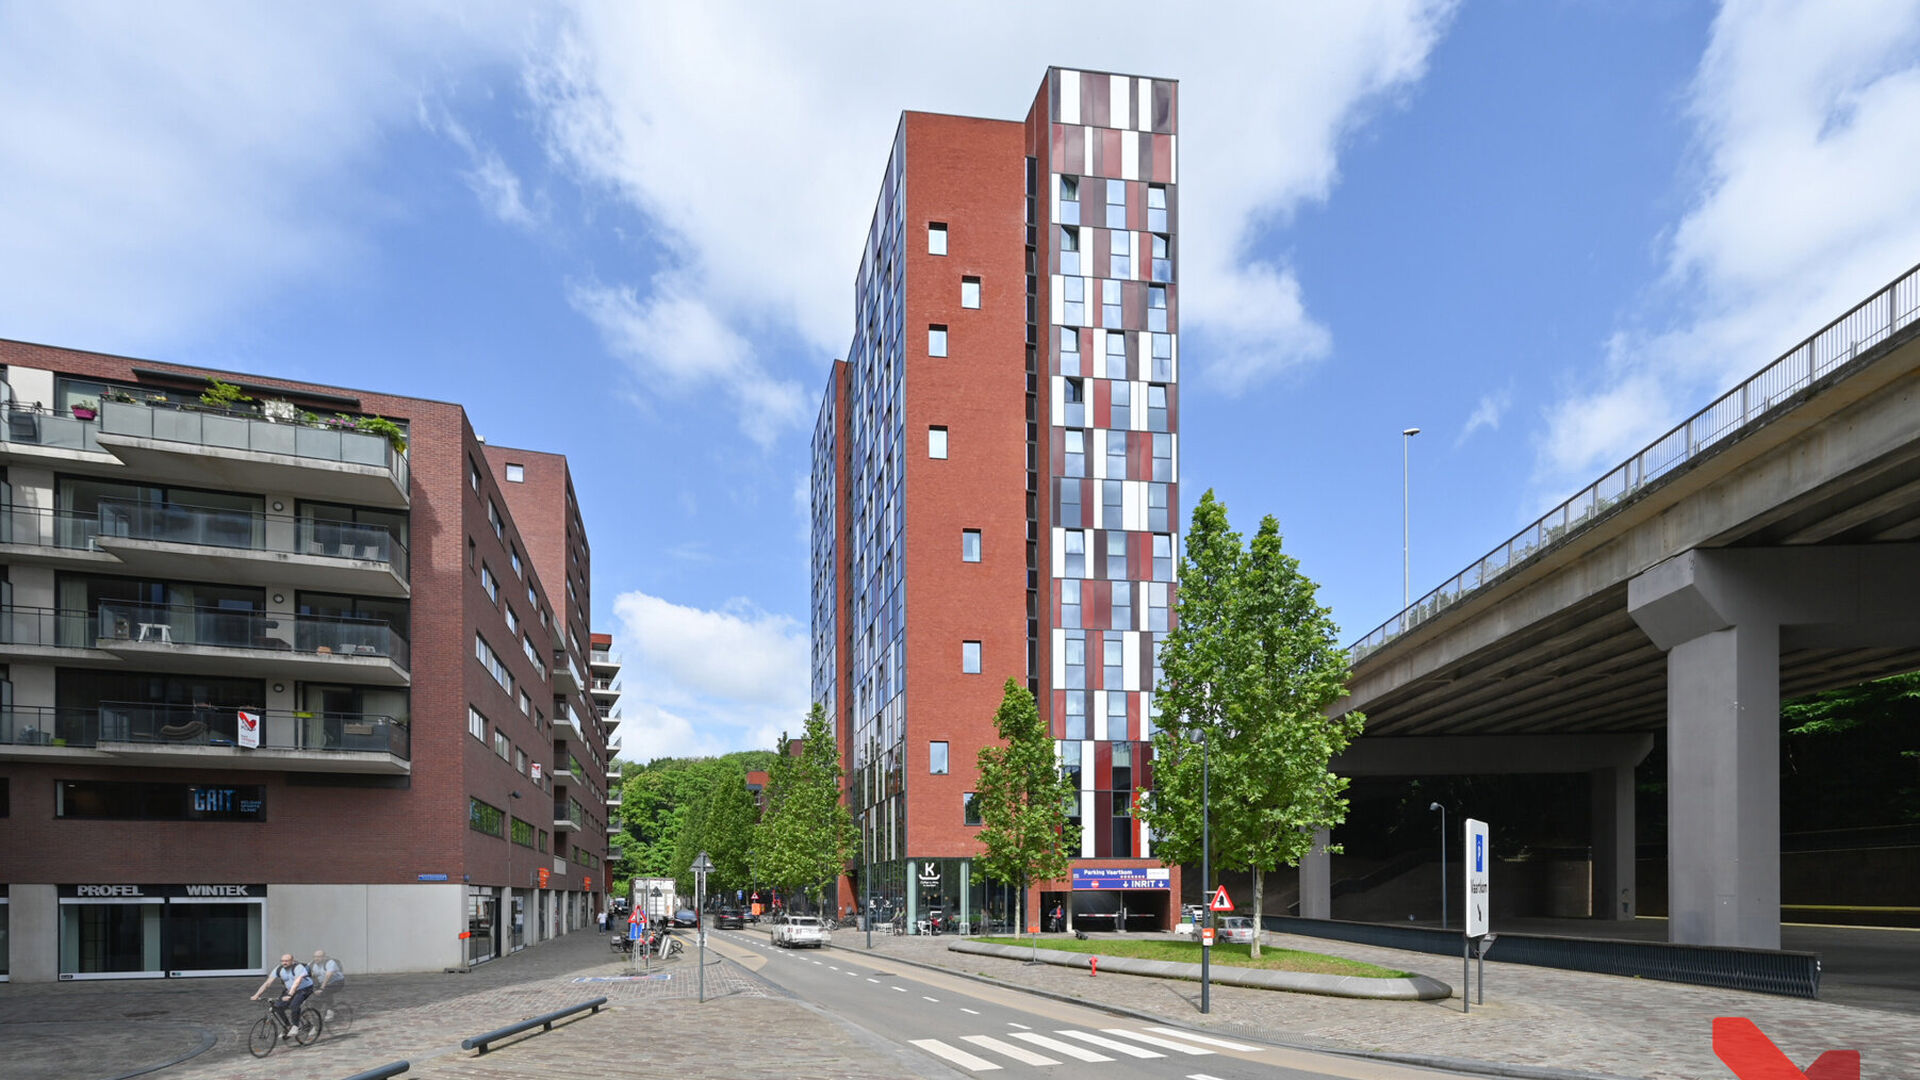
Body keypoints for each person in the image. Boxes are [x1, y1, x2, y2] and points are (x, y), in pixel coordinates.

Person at [251, 953, 314, 1037]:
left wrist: (290, 995)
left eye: (287, 961)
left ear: (292, 961)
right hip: (289, 989)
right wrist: (257, 995)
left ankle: (295, 1026)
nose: (284, 963)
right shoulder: (279, 969)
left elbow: (297, 982)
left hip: (304, 988)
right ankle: (288, 1026)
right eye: (282, 961)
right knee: (277, 1006)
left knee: (294, 1005)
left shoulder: (298, 967)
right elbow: (268, 983)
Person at [309, 950, 346, 1021]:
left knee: (324, 992)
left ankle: (330, 1012)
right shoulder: (312, 964)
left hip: (337, 982)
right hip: (323, 982)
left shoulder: (330, 963)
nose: (316, 958)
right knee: (313, 996)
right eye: (315, 957)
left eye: (319, 957)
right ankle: (316, 1012)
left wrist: (322, 988)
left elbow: (328, 975)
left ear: (324, 957)